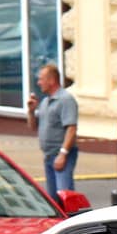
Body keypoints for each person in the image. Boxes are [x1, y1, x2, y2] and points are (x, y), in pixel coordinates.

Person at [25, 63, 78, 197]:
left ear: (52, 80)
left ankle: (71, 218)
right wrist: (31, 112)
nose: (38, 83)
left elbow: (71, 128)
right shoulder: (45, 102)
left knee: (64, 195)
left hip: (61, 155)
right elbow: (32, 127)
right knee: (53, 198)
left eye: (41, 79)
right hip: (49, 155)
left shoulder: (65, 100)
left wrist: (63, 154)